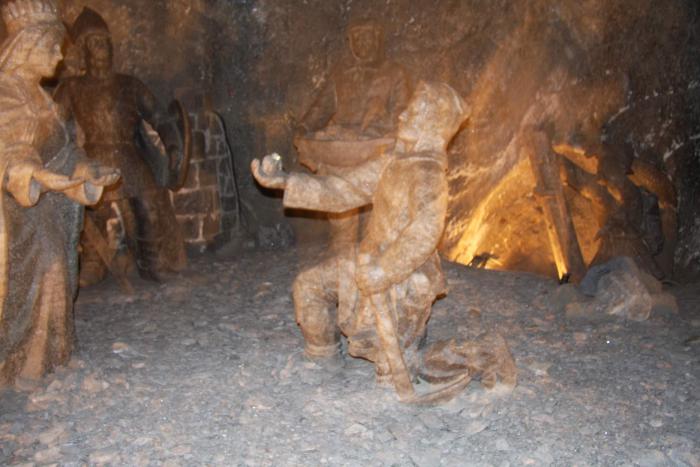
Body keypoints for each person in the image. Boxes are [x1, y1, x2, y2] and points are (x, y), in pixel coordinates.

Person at [253, 82, 515, 402]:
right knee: (308, 286)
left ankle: (434, 351)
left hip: (403, 275)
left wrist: (384, 270)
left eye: (413, 111)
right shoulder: (393, 162)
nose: (402, 116)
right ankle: (322, 356)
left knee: (391, 371)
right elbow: (341, 189)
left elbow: (423, 233)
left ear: (432, 124)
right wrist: (285, 181)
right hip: (369, 260)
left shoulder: (428, 173)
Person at [0, 0, 119, 387]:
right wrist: (24, 171)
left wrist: (85, 169)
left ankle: (55, 353)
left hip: (49, 208)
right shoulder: (5, 96)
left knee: (61, 271)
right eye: (52, 47)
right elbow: (8, 153)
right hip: (17, 212)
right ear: (28, 46)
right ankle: (24, 362)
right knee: (46, 271)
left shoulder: (44, 101)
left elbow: (66, 151)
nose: (58, 57)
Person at [54, 7, 186, 286]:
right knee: (91, 213)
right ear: (85, 50)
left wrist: (174, 145)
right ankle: (92, 264)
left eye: (105, 41)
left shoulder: (130, 85)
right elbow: (55, 127)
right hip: (94, 156)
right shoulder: (72, 88)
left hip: (128, 156)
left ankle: (152, 263)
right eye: (95, 42)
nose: (103, 47)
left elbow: (159, 117)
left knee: (149, 206)